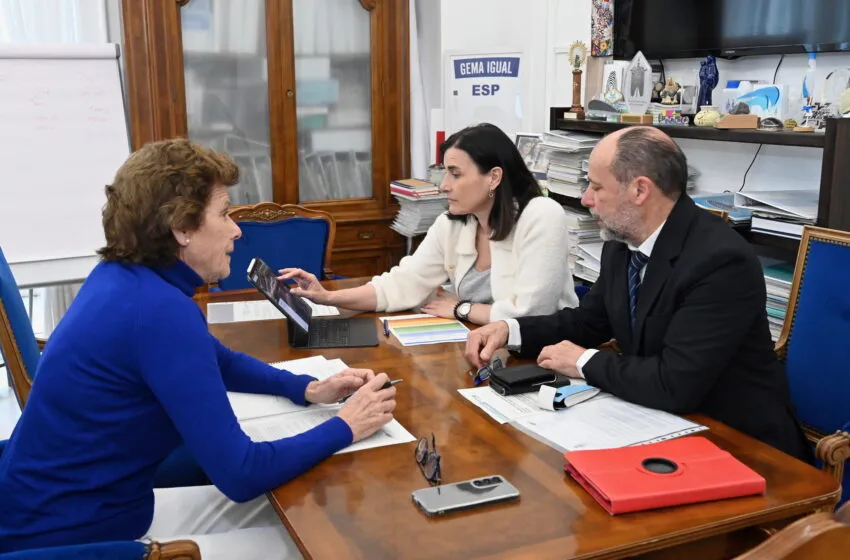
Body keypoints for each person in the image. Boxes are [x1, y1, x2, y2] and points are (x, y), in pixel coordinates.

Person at [0, 139, 397, 559]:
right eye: (224, 213)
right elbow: (241, 473)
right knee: (322, 543)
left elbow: (217, 359)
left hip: (67, 517)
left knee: (297, 512)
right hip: (81, 543)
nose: (237, 229)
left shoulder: (122, 276)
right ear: (182, 228)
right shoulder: (159, 311)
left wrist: (307, 388)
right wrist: (347, 425)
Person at [465, 126, 810, 461]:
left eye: (596, 186)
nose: (586, 199)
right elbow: (588, 322)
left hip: (743, 446)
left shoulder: (720, 260)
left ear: (640, 190)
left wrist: (584, 361)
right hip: (659, 422)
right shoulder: (622, 243)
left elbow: (675, 382)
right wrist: (511, 330)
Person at [280, 123, 579, 325]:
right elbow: (402, 285)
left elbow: (531, 316)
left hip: (540, 358)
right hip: (482, 350)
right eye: (444, 173)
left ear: (494, 177)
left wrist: (462, 308)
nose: (443, 185)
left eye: (455, 174)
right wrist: (328, 296)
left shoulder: (541, 216)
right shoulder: (453, 224)